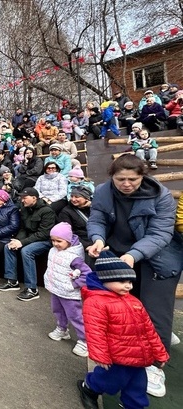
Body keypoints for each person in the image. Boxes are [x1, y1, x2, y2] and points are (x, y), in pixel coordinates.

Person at [87, 154, 182, 397]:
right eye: (121, 179)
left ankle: (154, 364)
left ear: (143, 176)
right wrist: (97, 238)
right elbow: (97, 218)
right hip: (118, 249)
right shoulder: (102, 191)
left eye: (132, 179)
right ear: (112, 177)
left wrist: (133, 255)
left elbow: (161, 234)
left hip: (158, 255)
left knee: (154, 307)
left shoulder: (161, 196)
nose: (126, 184)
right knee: (123, 302)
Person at [77, 251, 169, 409]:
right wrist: (101, 356)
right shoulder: (97, 302)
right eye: (122, 281)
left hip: (140, 358)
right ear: (105, 279)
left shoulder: (133, 301)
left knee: (138, 388)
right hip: (116, 357)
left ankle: (134, 405)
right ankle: (90, 388)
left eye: (130, 281)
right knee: (108, 380)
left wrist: (159, 353)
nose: (129, 285)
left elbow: (149, 330)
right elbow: (95, 331)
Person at [0, 187, 56, 301]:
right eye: (21, 198)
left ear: (34, 198)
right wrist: (17, 241)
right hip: (29, 238)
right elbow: (23, 229)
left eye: (25, 198)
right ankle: (12, 281)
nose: (22, 200)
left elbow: (43, 234)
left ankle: (32, 289)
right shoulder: (24, 209)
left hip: (44, 240)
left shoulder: (47, 211)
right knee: (8, 246)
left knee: (26, 251)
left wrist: (22, 242)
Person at [43, 222, 92, 357]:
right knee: (57, 310)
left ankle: (85, 341)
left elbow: (87, 273)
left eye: (59, 241)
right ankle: (62, 329)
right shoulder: (54, 250)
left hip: (69, 292)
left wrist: (74, 285)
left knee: (75, 316)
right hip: (56, 288)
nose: (55, 244)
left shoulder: (74, 257)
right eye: (53, 240)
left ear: (68, 240)